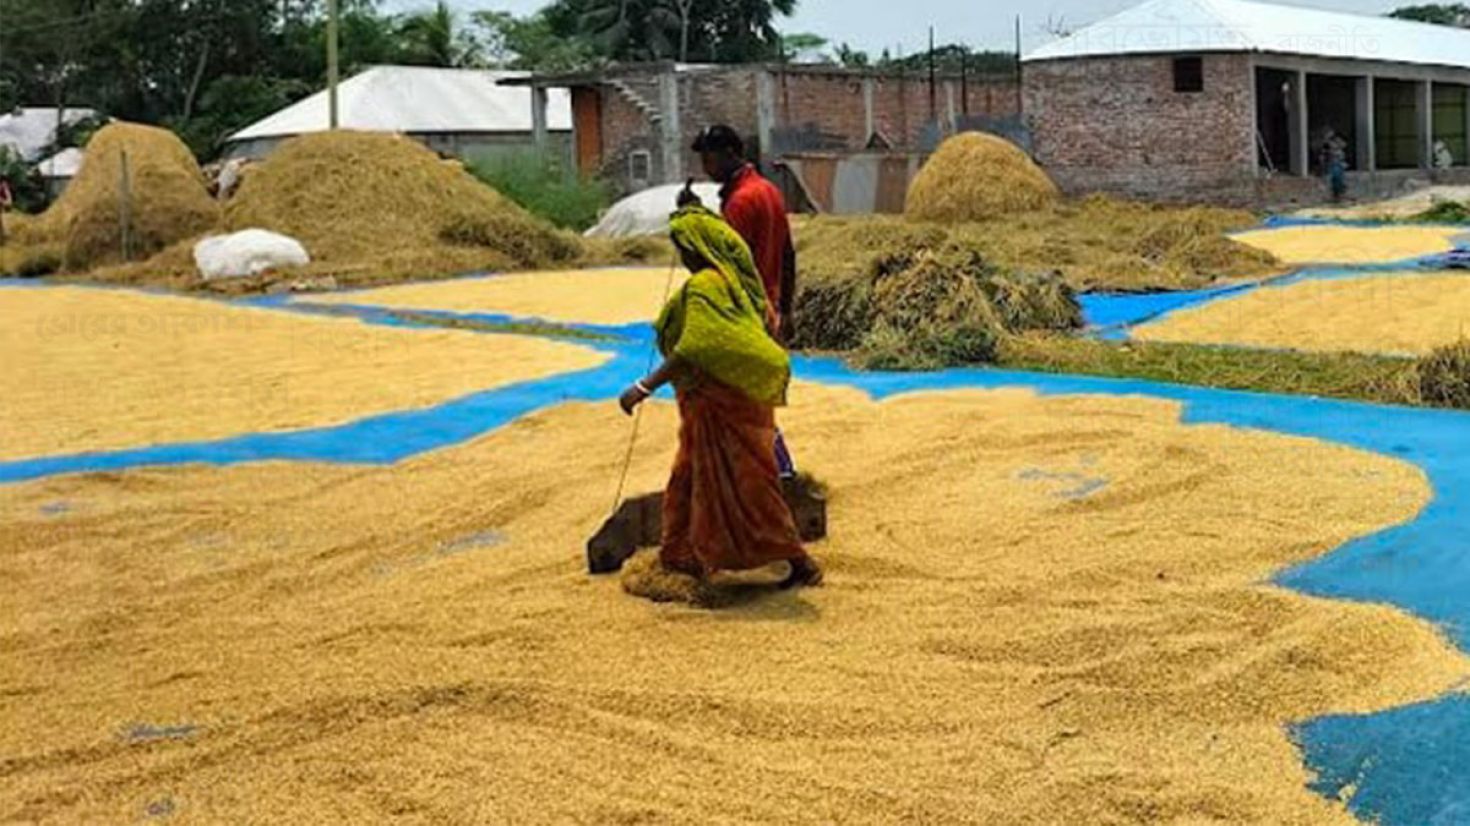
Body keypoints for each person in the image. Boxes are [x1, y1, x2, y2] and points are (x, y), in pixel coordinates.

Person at [618, 204, 822, 588]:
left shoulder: (705, 286)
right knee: (693, 478)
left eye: (683, 247)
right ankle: (681, 558)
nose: (682, 255)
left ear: (697, 247)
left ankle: (797, 560)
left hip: (722, 402)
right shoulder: (735, 284)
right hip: (724, 400)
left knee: (748, 485)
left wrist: (642, 388)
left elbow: (697, 345)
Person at [682, 125, 799, 478]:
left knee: (737, 402)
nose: (705, 167)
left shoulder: (740, 203)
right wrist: (787, 309)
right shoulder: (769, 191)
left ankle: (773, 472)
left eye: (709, 157)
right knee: (754, 398)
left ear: (730, 154)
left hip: (742, 314)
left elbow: (719, 267)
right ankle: (774, 470)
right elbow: (788, 254)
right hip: (769, 310)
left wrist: (692, 220)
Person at [1320, 129, 1348, 202]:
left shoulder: (1339, 149)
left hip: (1337, 165)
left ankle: (1338, 194)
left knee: (1338, 179)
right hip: (1332, 165)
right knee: (1334, 179)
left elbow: (1343, 146)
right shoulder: (1328, 147)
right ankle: (1336, 194)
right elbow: (1324, 156)